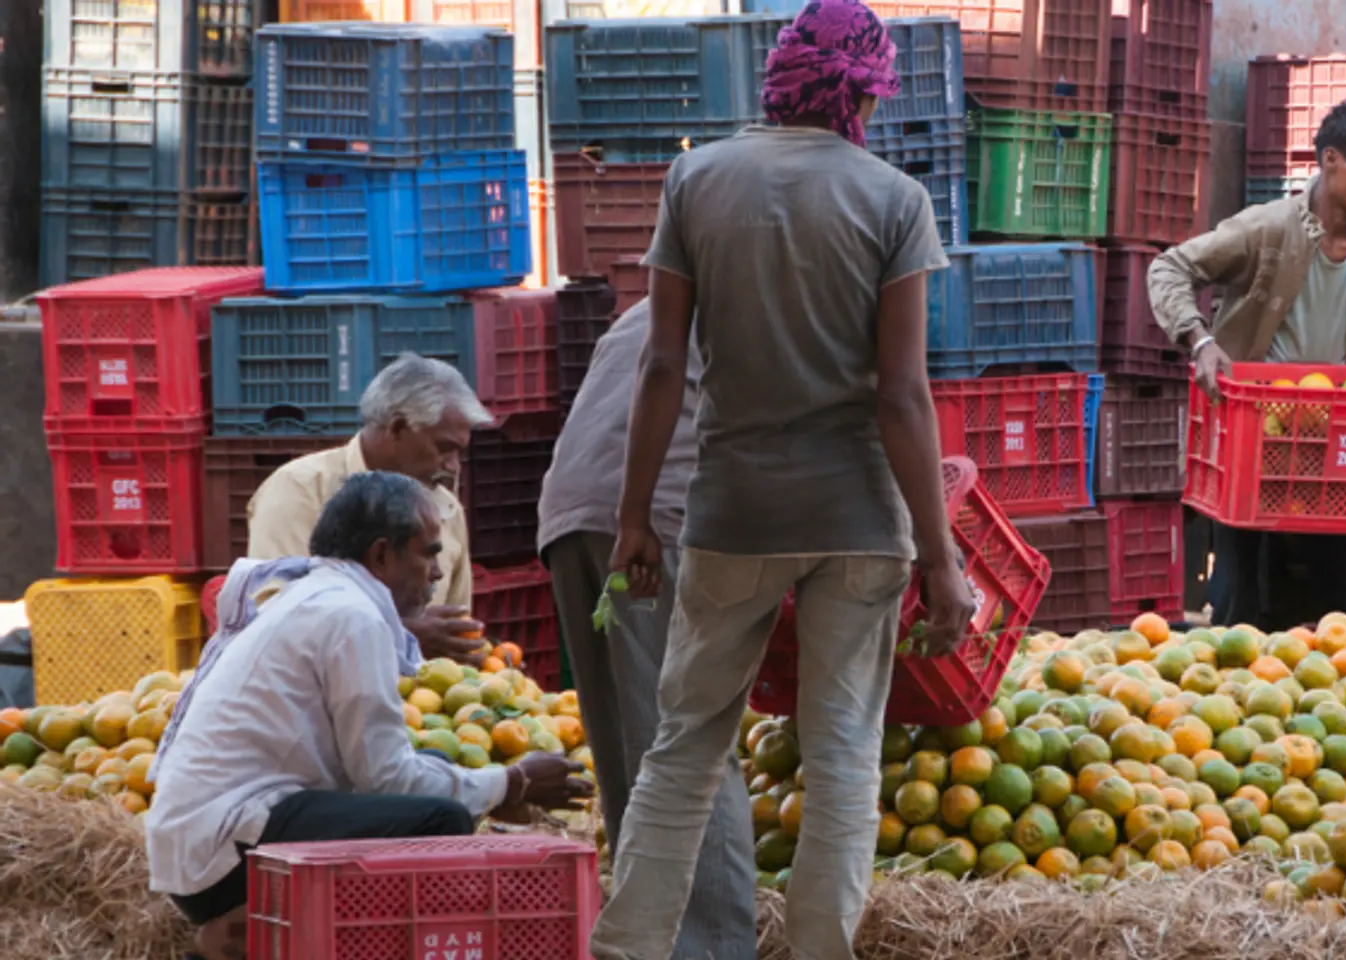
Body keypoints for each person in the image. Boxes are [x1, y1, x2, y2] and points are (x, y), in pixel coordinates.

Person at [588, 1, 974, 957]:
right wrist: (941, 556)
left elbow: (663, 367)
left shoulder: (696, 180)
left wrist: (636, 519)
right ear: (864, 89)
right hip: (856, 521)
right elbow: (901, 396)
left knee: (683, 748)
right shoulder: (894, 201)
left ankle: (629, 946)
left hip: (731, 514)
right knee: (844, 754)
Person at [147, 472, 593, 960]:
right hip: (222, 848)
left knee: (432, 773)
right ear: (383, 555)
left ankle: (237, 938)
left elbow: (381, 769)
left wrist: (486, 786)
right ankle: (237, 933)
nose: (438, 573)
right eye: (428, 553)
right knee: (437, 819)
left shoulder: (323, 597)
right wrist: (511, 783)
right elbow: (386, 780)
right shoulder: (351, 615)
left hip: (202, 841)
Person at [1148, 97, 1346, 635]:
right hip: (1255, 430)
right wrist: (1199, 340)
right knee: (1236, 604)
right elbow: (1169, 268)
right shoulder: (1265, 227)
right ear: (1332, 160)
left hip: (1344, 432)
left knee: (1345, 607)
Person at [537, 298, 757, 958]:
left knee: (637, 761)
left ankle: (653, 945)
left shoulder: (656, 303)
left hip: (573, 518)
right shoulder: (789, 298)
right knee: (694, 755)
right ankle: (713, 949)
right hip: (657, 522)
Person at [248, 353, 489, 665]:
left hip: (421, 704)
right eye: (443, 448)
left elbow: (455, 630)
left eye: (459, 452)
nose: (453, 466)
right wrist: (398, 633)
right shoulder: (300, 489)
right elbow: (273, 618)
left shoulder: (445, 508)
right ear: (398, 428)